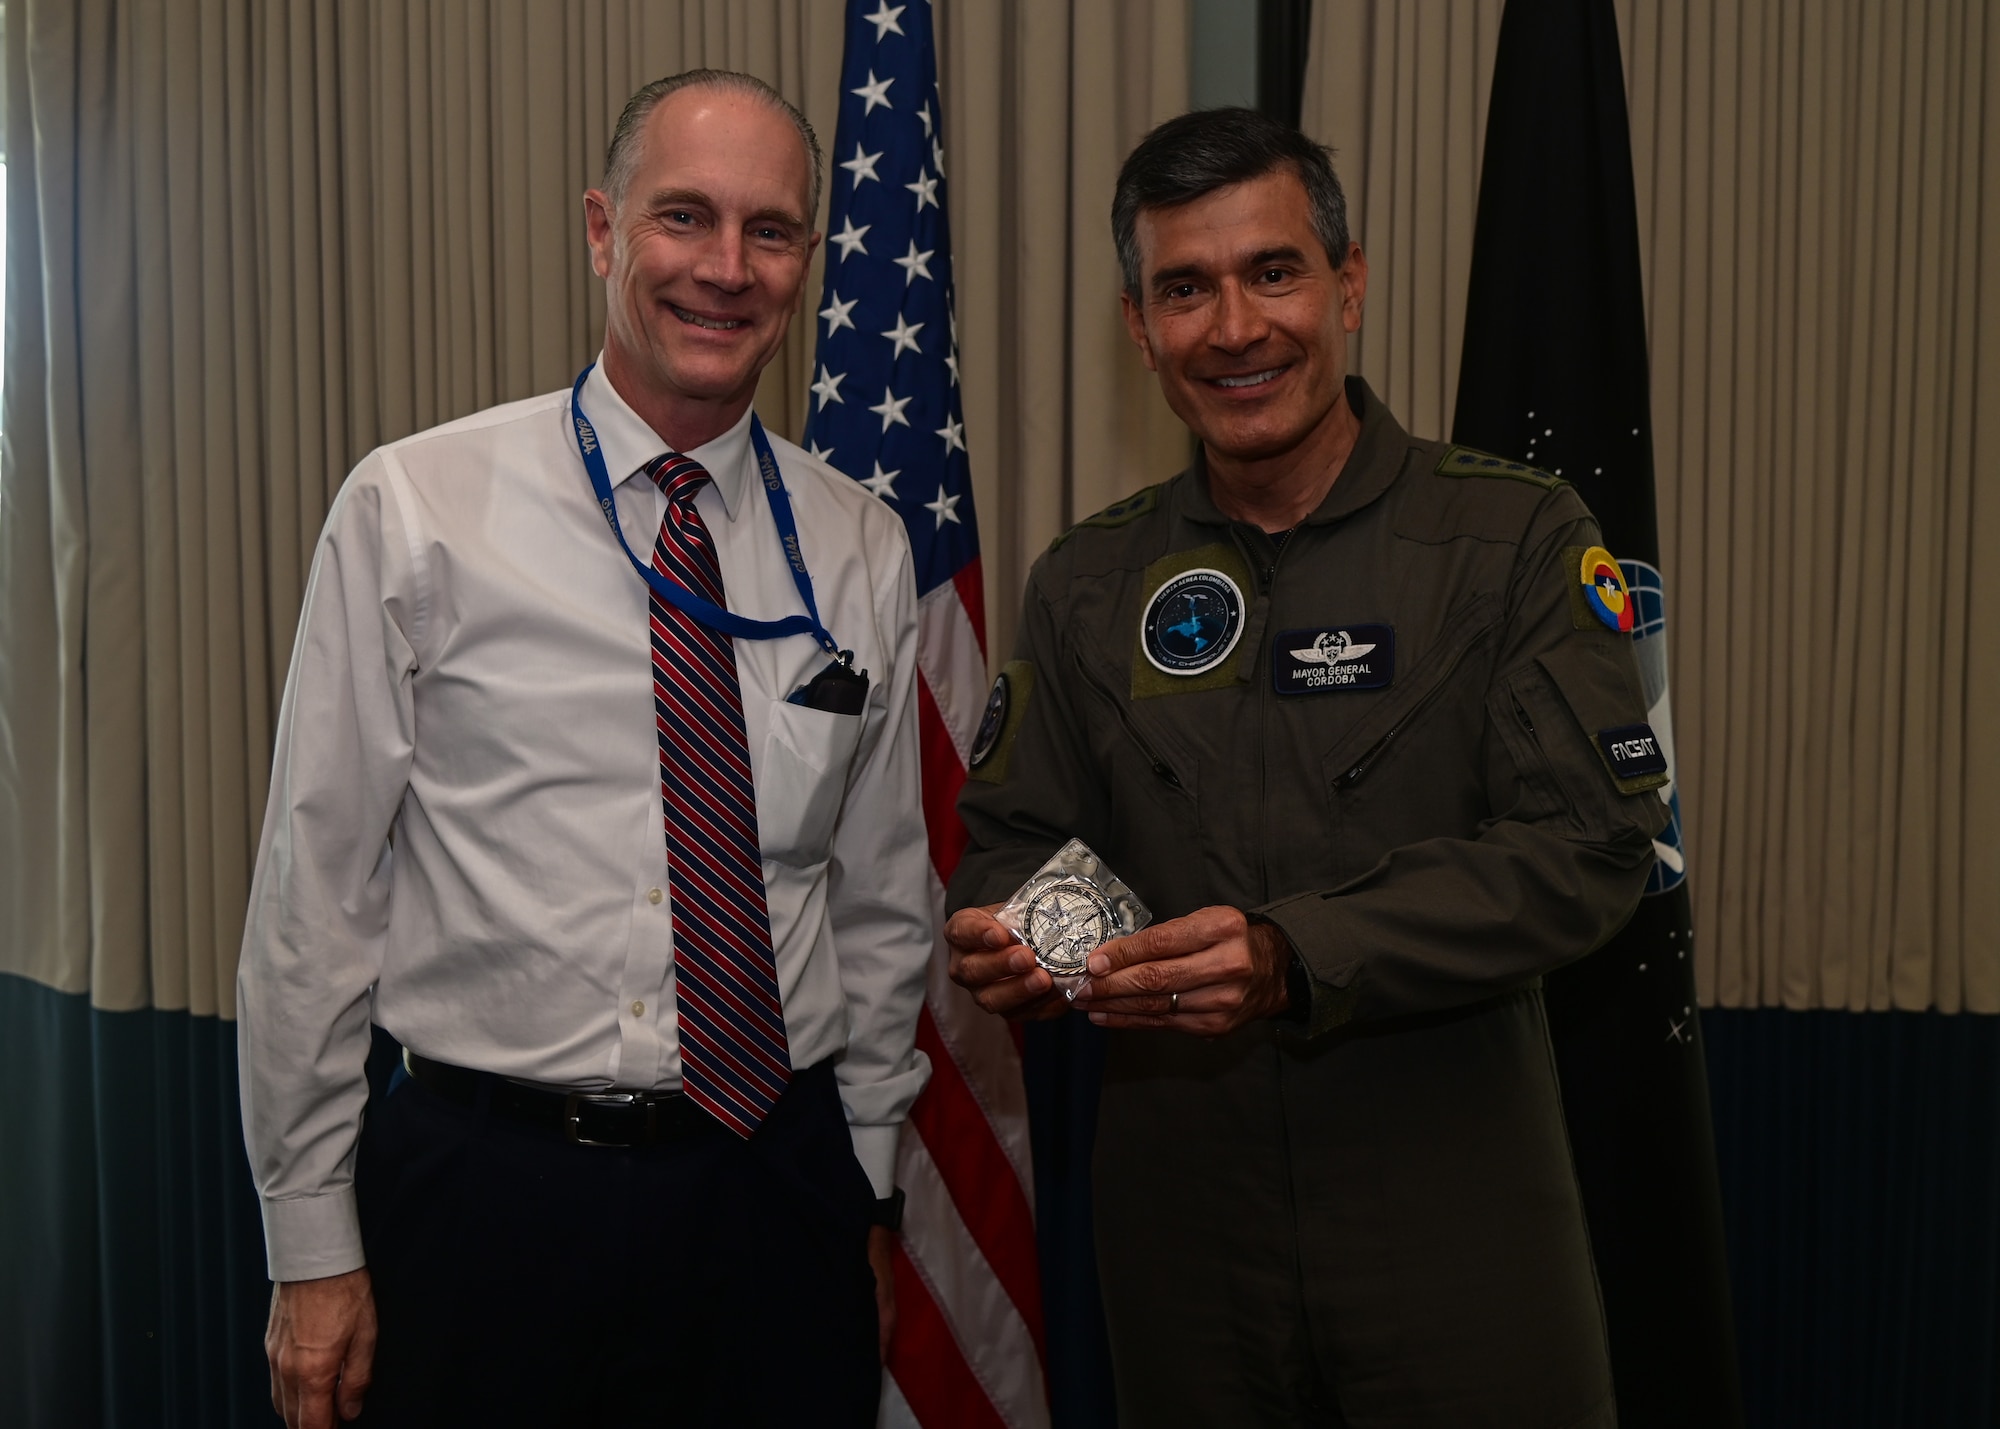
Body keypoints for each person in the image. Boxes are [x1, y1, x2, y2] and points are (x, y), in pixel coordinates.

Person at [947, 107, 1670, 1428]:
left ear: (1349, 280)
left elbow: (1589, 849)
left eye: (1272, 271)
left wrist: (1292, 952)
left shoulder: (1510, 537)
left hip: (1454, 1220)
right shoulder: (1091, 580)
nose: (1234, 328)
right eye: (1184, 289)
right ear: (1137, 325)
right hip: (1182, 1238)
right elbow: (1013, 836)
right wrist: (1035, 936)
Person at [239, 70, 931, 1429]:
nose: (725, 270)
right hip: (486, 1189)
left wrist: (868, 1179)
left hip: (772, 1186)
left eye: (770, 230)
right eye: (685, 218)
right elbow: (313, 900)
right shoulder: (417, 508)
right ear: (605, 230)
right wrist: (313, 1244)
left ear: (805, 257)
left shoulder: (862, 544)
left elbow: (883, 902)